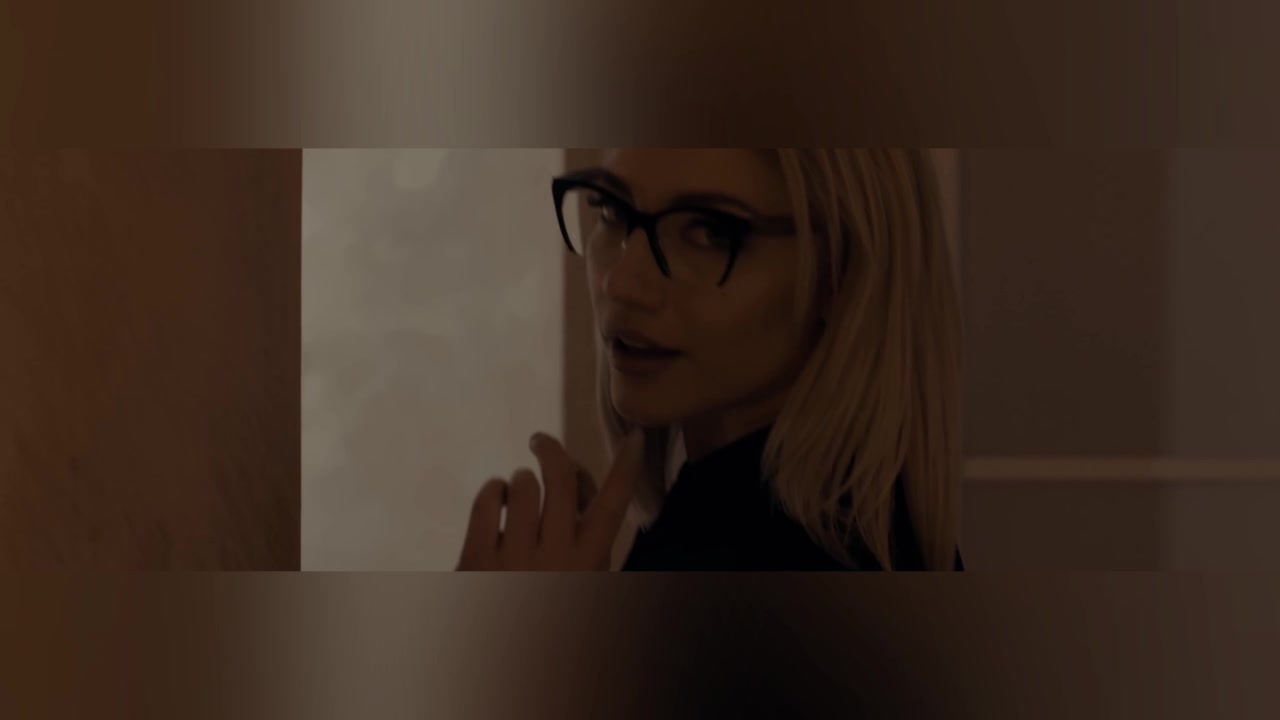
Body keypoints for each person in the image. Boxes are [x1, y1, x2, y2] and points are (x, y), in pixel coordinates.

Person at [455, 149, 964, 571]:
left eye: (712, 232)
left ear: (843, 272)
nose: (623, 282)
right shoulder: (873, 528)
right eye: (612, 211)